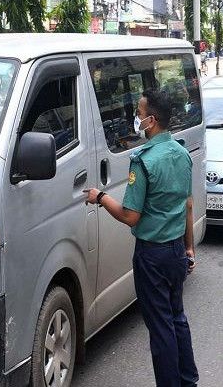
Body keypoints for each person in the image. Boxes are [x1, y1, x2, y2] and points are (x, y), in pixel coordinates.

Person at [84, 90, 199, 387]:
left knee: (161, 329)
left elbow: (129, 216)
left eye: (139, 113)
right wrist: (189, 248)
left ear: (152, 120)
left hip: (152, 256)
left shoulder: (144, 161)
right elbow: (188, 205)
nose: (136, 118)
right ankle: (188, 380)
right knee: (177, 319)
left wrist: (100, 197)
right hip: (175, 251)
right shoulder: (182, 153)